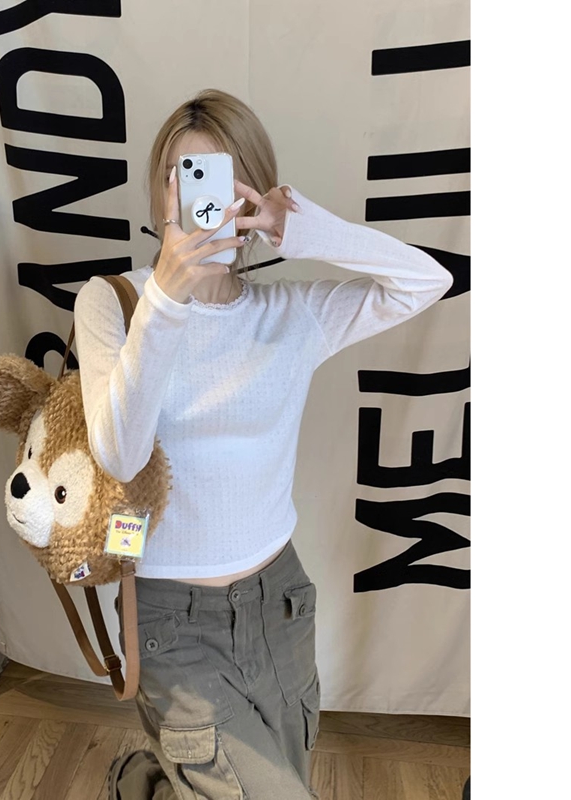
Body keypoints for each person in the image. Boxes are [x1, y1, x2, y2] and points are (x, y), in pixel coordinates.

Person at [73, 89, 453, 800]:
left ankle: (148, 782)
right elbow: (119, 455)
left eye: (221, 179)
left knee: (284, 775)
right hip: (169, 618)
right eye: (182, 178)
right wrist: (167, 299)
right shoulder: (113, 303)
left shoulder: (294, 313)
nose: (202, 201)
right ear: (160, 193)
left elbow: (427, 281)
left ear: (251, 194)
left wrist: (304, 230)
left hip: (280, 602)